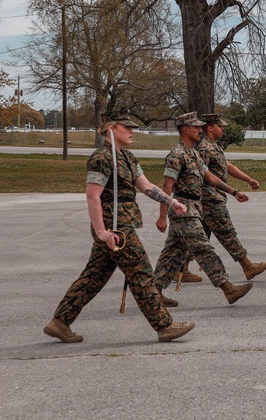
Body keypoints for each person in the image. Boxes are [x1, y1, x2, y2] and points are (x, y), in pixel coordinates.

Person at [43, 111, 195, 343]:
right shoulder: (102, 158)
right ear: (111, 129)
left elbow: (146, 186)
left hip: (122, 224)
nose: (132, 131)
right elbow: (93, 196)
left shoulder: (126, 157)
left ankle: (60, 322)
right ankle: (164, 326)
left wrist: (172, 202)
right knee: (142, 274)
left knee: (94, 277)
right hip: (115, 229)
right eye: (127, 127)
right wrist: (102, 231)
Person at [152, 112, 253, 306]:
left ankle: (153, 292)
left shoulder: (194, 153)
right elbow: (167, 187)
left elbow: (211, 178)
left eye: (200, 127)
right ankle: (227, 287)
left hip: (194, 208)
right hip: (182, 209)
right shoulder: (176, 155)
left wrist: (233, 191)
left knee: (173, 253)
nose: (200, 130)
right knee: (203, 248)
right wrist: (162, 216)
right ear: (185, 130)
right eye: (196, 127)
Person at [180, 113, 266, 281]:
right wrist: (233, 191)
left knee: (198, 238)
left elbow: (227, 166)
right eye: (220, 126)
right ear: (210, 127)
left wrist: (248, 179)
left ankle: (182, 269)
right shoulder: (205, 149)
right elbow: (203, 174)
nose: (222, 129)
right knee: (227, 232)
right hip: (210, 199)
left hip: (213, 197)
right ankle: (247, 265)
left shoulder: (214, 146)